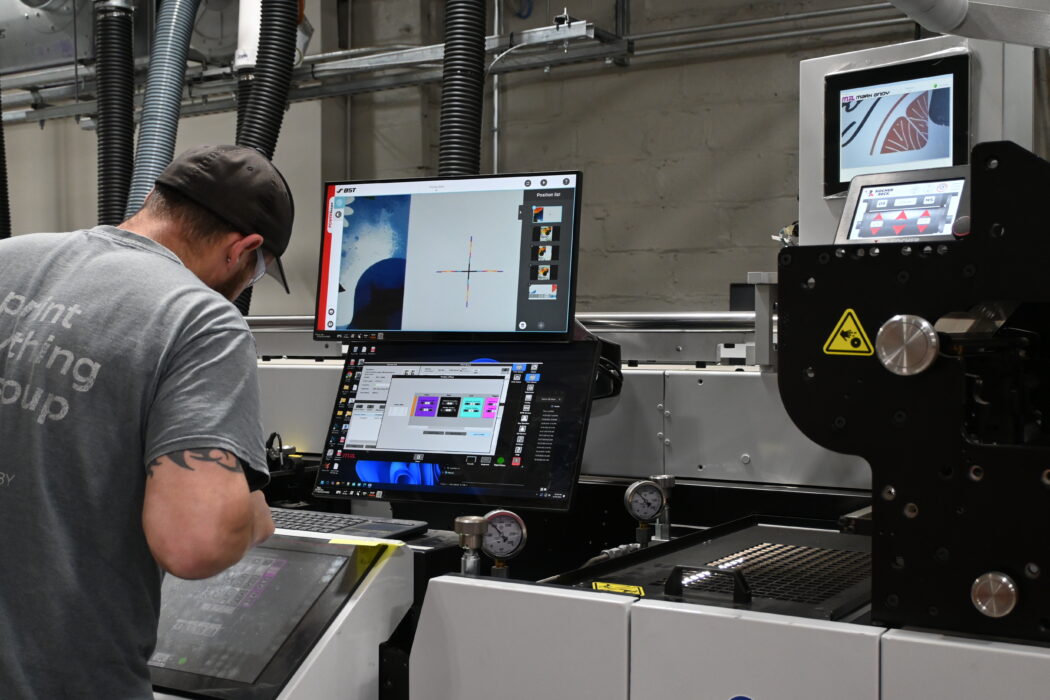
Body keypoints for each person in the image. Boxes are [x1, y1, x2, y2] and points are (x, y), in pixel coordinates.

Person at [0, 144, 294, 699]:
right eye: (257, 271)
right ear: (244, 249)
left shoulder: (8, 255)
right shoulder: (199, 317)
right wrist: (251, 517)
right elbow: (195, 543)